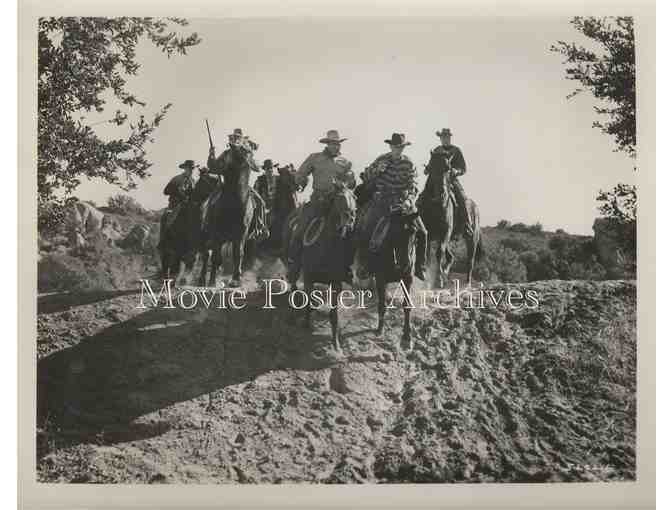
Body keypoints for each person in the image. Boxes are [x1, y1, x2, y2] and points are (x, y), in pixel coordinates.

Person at [288, 129, 357, 284]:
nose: (336, 146)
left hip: (338, 203)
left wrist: (350, 181)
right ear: (327, 144)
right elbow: (301, 173)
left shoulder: (345, 162)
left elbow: (352, 183)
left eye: (338, 144)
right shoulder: (315, 158)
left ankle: (346, 267)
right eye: (333, 143)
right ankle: (295, 265)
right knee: (300, 230)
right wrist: (301, 181)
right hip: (318, 201)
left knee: (351, 232)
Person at [357, 133, 427, 281]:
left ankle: (420, 266)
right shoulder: (382, 159)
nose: (398, 150)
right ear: (390, 146)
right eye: (395, 147)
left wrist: (409, 200)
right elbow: (365, 176)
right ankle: (365, 265)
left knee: (422, 232)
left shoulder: (409, 164)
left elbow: (413, 185)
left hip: (403, 202)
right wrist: (377, 170)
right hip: (382, 200)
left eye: (400, 147)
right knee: (366, 226)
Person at [427, 127, 472, 236]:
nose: (445, 139)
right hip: (436, 179)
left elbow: (463, 168)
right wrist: (427, 168)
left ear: (450, 138)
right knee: (423, 196)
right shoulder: (436, 150)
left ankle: (467, 224)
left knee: (462, 198)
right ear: (440, 138)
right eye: (443, 137)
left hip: (451, 180)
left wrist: (456, 171)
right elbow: (431, 164)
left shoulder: (456, 150)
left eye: (447, 137)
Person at [158, 159, 196, 249]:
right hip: (175, 204)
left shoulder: (193, 181)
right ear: (185, 168)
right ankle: (163, 241)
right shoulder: (177, 179)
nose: (191, 171)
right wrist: (177, 192)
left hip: (188, 205)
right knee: (167, 217)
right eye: (189, 168)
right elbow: (166, 191)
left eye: (192, 169)